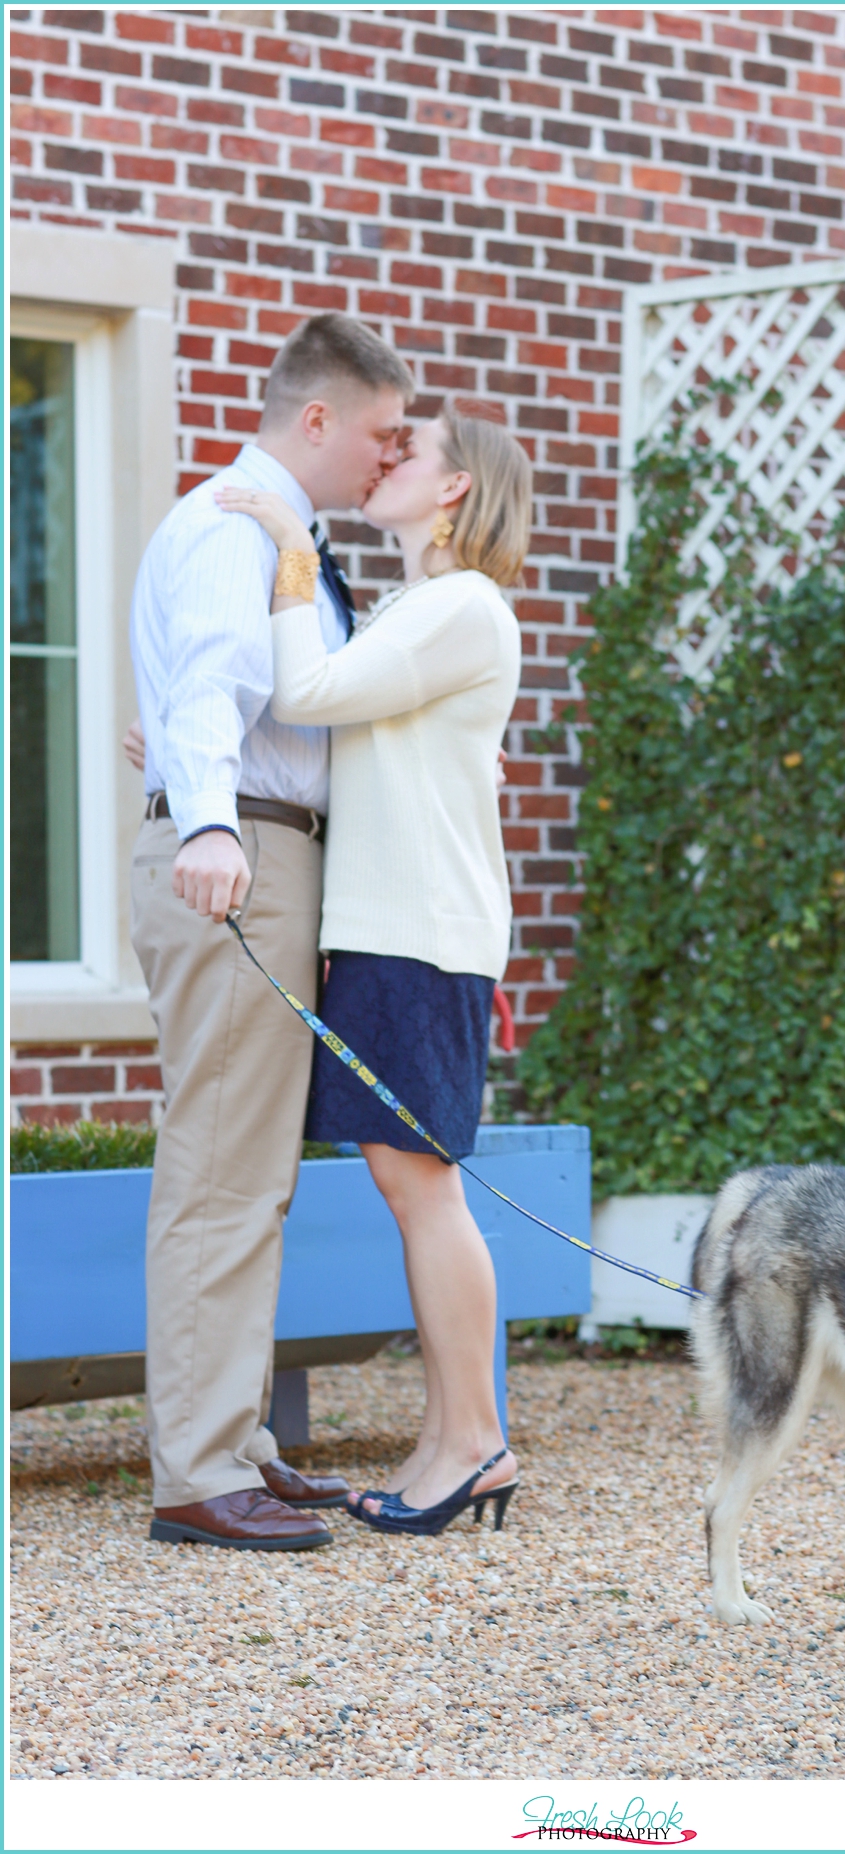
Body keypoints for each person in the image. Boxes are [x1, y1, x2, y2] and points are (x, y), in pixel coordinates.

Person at [212, 403, 530, 1535]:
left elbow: (313, 695)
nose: (389, 462)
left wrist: (293, 552)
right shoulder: (429, 609)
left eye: (413, 454)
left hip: (418, 936)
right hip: (400, 931)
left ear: (455, 491)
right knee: (414, 1187)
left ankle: (475, 1441)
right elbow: (353, 748)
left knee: (423, 1187)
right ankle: (454, 1437)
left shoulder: (459, 604)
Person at [129, 314, 414, 1551]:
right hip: (239, 856)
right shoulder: (233, 525)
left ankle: (234, 1440)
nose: (386, 457)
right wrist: (208, 827)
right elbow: (207, 686)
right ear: (317, 418)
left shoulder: (276, 535)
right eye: (380, 433)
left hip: (259, 845)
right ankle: (197, 1469)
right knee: (220, 1173)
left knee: (252, 1174)